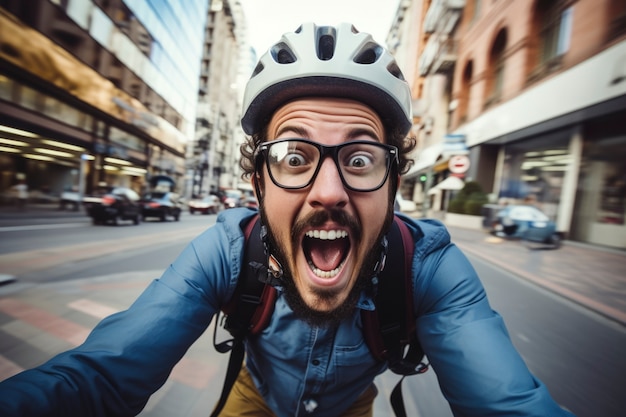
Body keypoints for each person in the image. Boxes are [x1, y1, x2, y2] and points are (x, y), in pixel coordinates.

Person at [0, 23, 575, 417]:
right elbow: (99, 377)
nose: (329, 192)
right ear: (257, 183)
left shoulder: (430, 268)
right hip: (254, 398)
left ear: (395, 182)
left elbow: (508, 403)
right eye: (294, 158)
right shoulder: (228, 250)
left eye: (359, 159)